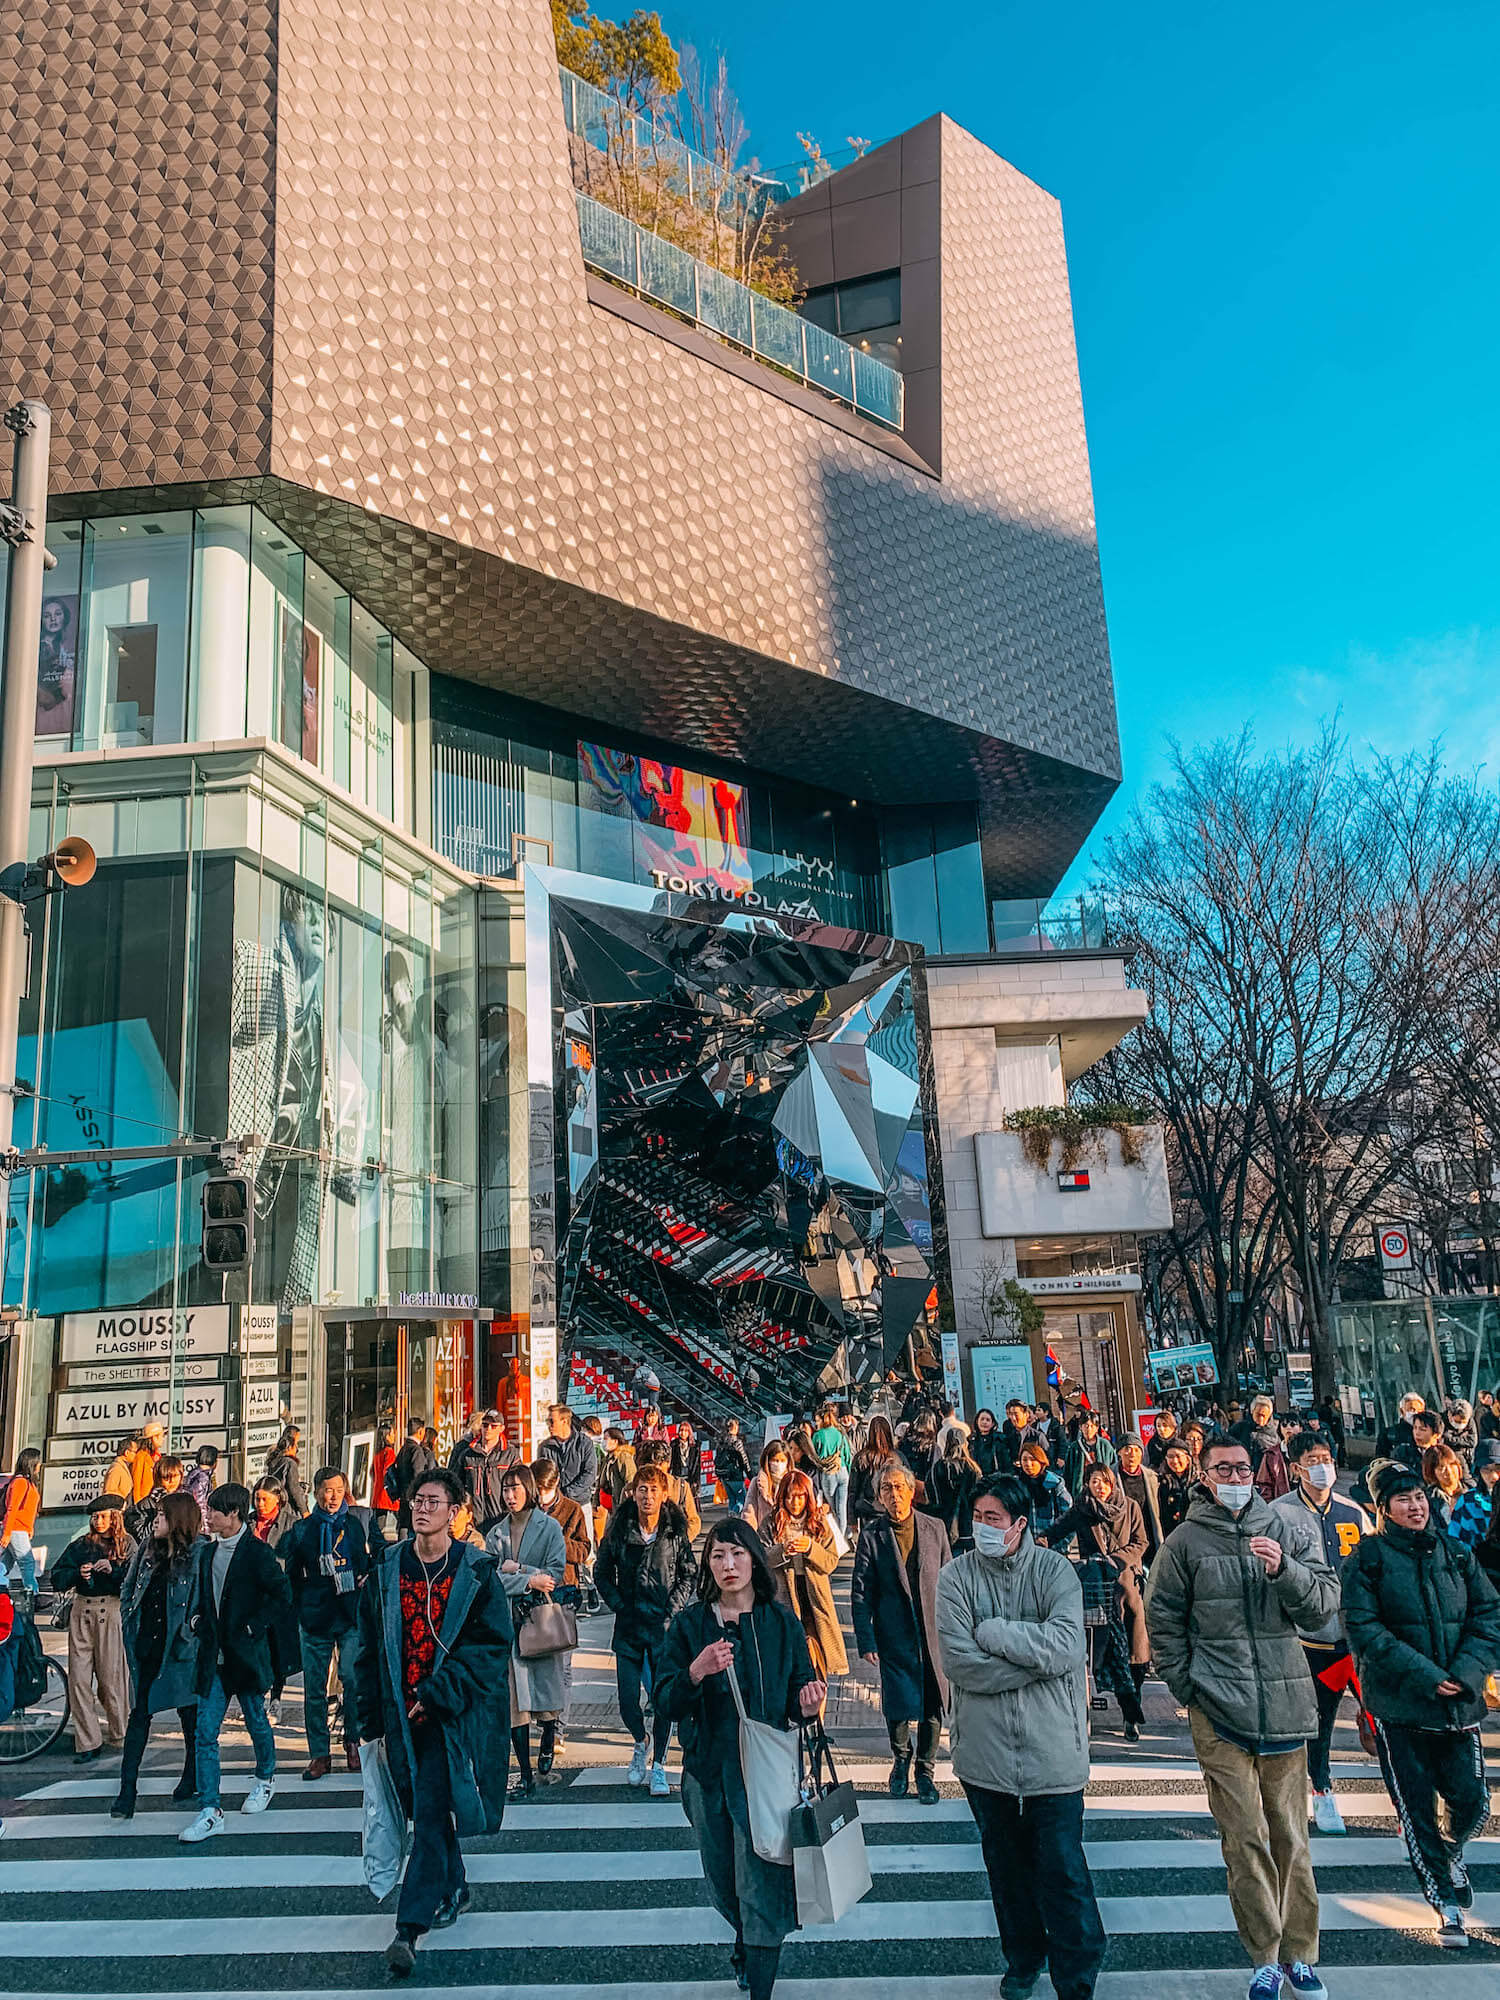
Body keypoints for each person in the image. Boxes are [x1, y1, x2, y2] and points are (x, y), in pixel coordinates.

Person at [1144, 1434, 1338, 2000]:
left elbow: (1323, 1603)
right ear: (1204, 1476)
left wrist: (1286, 1572)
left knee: (1291, 1837)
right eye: (1222, 1469)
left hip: (1284, 1705)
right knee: (1244, 1837)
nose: (1233, 1477)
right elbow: (1164, 1622)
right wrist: (1189, 1688)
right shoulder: (1183, 1542)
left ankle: (1302, 1952)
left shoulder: (1284, 1528)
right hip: (1218, 1709)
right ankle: (1265, 1954)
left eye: (1242, 1468)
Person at [936, 1473, 1106, 2000]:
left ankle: (1077, 1974)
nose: (984, 1527)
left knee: (1062, 1870)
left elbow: (1065, 1648)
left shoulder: (1056, 1571)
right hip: (984, 1758)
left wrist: (995, 1634)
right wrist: (1033, 1662)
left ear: (1020, 1524)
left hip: (1052, 1751)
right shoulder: (955, 1578)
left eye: (995, 1518)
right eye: (978, 1517)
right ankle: (1023, 1959)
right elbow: (961, 1665)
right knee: (1006, 1872)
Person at [656, 1517, 826, 2000]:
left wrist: (807, 1704)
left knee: (762, 1888)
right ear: (708, 1565)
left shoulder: (780, 1621)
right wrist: (695, 1672)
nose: (728, 1565)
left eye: (737, 1554)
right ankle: (745, 1939)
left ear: (754, 1559)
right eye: (717, 1556)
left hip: (767, 1778)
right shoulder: (691, 1625)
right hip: (709, 1772)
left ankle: (759, 1976)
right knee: (725, 1886)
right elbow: (666, 1701)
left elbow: (799, 1690)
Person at [354, 1465, 513, 1977]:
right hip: (401, 1715)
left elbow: (491, 1647)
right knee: (428, 1809)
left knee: (427, 1812)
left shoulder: (476, 1571)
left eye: (433, 1501)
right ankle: (458, 1885)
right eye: (416, 1500)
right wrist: (365, 1715)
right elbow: (368, 1648)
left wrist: (441, 1693)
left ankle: (409, 1927)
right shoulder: (386, 1568)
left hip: (451, 1718)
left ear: (455, 1512)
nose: (421, 1509)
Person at [1343, 1459, 1500, 1949]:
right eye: (1402, 1500)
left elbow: (1488, 1613)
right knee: (1416, 1811)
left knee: (1473, 1802)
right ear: (1383, 1509)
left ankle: (1454, 1852)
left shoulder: (1456, 1553)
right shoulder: (1366, 1560)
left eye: (1418, 1497)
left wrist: (1467, 1674)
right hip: (1401, 1707)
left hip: (1460, 1705)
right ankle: (1446, 1908)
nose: (1415, 1507)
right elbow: (1366, 1632)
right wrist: (1430, 1678)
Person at [179, 1483, 293, 1844]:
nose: (208, 1516)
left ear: (233, 1515)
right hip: (213, 1656)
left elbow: (282, 1594)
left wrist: (253, 1626)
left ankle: (265, 1777)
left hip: (244, 1654)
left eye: (214, 1511)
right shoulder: (207, 1553)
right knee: (204, 1731)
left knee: (255, 1719)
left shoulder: (257, 1553)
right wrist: (197, 1621)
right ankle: (210, 1808)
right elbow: (202, 1596)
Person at [1271, 1428, 1372, 1833]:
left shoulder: (1353, 1513)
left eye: (1326, 1458)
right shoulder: (1279, 1514)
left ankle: (1406, 1803)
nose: (1322, 1467)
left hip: (1361, 1640)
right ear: (1296, 1468)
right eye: (1312, 1461)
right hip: (1312, 1640)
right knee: (1320, 1721)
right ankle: (1322, 1788)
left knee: (1382, 1720)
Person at [851, 1460, 951, 1804]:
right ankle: (901, 1758)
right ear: (879, 1496)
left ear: (911, 1491)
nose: (894, 1495)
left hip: (933, 1630)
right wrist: (865, 1638)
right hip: (893, 1631)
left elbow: (951, 1582)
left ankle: (925, 1771)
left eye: (899, 1487)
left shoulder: (935, 1527)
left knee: (933, 1703)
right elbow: (861, 1590)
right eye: (886, 1489)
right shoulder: (872, 1535)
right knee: (897, 1703)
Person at [596, 1462, 698, 1795]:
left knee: (663, 1699)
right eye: (642, 1489)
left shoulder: (674, 1531)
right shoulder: (620, 1527)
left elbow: (688, 1573)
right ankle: (640, 1741)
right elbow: (601, 1572)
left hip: (663, 1626)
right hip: (628, 1624)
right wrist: (618, 1603)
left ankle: (659, 1764)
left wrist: (673, 1608)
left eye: (654, 1490)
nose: (648, 1496)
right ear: (633, 1493)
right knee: (628, 1700)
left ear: (664, 1494)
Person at [113, 1491, 205, 1818]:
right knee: (139, 1716)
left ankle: (191, 1776)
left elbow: (203, 1603)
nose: (156, 1522)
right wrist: (128, 1619)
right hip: (148, 1645)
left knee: (189, 1716)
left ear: (177, 1520)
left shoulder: (199, 1553)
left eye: (162, 1516)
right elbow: (128, 1589)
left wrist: (191, 1633)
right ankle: (127, 1790)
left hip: (179, 1647)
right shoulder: (147, 1549)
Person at [1046, 1461, 1149, 1738]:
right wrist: (1041, 1542)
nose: (1099, 1486)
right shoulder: (1082, 1509)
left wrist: (1116, 1560)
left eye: (1103, 1481)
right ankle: (1127, 1713)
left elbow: (1141, 1542)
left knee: (1136, 1654)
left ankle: (1133, 1707)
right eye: (1094, 1482)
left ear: (1112, 1482)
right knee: (1109, 1652)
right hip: (1098, 1590)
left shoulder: (1129, 1507)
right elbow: (1057, 1530)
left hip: (1127, 1587)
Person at [284, 1465, 373, 1780]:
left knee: (352, 1679)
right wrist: (301, 1606)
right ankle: (319, 1754)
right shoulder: (303, 1530)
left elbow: (367, 1564)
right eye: (326, 1490)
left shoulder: (355, 1525)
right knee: (315, 1689)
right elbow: (291, 1574)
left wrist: (364, 1580)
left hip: (350, 1615)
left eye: (338, 1489)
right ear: (316, 1492)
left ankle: (352, 1741)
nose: (332, 1496)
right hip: (315, 1617)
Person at [487, 1464, 567, 1800]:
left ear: (529, 1489)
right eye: (506, 1489)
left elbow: (554, 1574)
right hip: (509, 1620)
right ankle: (524, 1773)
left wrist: (519, 1570)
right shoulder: (495, 1533)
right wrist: (525, 1580)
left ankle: (549, 1734)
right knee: (514, 1701)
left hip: (539, 1617)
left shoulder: (549, 1527)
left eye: (517, 1488)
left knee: (545, 1689)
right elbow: (490, 1577)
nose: (510, 1495)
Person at [51, 1496, 136, 1763]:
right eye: (94, 1517)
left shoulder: (127, 1544)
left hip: (110, 1609)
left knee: (111, 1678)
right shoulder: (80, 1545)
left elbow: (134, 1580)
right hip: (82, 1609)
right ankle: (87, 1741)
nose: (98, 1521)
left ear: (114, 1517)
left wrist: (113, 1570)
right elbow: (57, 1577)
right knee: (78, 1679)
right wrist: (79, 1574)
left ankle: (120, 1731)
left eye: (103, 1516)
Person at [763, 1468, 847, 1687]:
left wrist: (811, 1548)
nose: (795, 1502)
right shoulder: (772, 1522)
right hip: (784, 1597)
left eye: (800, 1496)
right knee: (791, 1663)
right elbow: (759, 1560)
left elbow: (830, 1561)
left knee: (818, 1663)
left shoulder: (819, 1521)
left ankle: (818, 1715)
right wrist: (782, 1551)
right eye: (789, 1496)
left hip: (815, 1598)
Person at [532, 1455, 588, 1768]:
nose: (539, 1496)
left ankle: (558, 1729)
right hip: (534, 1595)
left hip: (563, 1591)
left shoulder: (572, 1510)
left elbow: (583, 1549)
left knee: (563, 1665)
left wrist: (555, 1540)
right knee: (536, 1661)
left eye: (543, 1490)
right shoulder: (526, 1512)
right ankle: (543, 1721)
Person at [450, 1407, 521, 1533]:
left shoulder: (510, 1454)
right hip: (473, 1521)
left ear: (501, 1428)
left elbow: (520, 1486)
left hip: (501, 1519)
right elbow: (455, 1484)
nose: (488, 1429)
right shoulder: (467, 1454)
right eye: (485, 1425)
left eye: (493, 1426)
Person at [928, 1428, 982, 1549]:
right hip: (969, 1524)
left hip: (945, 1523)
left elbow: (932, 1495)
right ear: (965, 1444)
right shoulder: (973, 1468)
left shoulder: (939, 1467)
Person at [1115, 1436, 1163, 1557]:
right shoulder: (1110, 1478)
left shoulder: (1152, 1477)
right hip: (1124, 1538)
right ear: (1119, 1452)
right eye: (1127, 1449)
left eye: (1137, 1450)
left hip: (1149, 1535)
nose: (1132, 1454)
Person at [1, 1447, 41, 1591]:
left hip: (19, 1529)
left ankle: (2, 1588)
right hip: (16, 1529)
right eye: (38, 1462)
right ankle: (32, 1594)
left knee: (5, 1563)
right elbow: (12, 1509)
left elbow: (28, 1511)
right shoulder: (20, 1483)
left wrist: (30, 1528)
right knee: (27, 1562)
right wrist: (7, 1533)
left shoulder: (28, 1483)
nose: (39, 1466)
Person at [848, 1416, 901, 1526]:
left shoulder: (861, 1458)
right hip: (891, 1509)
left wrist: (851, 1518)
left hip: (866, 1510)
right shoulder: (896, 1458)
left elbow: (852, 1490)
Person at [1449, 1438, 1500, 1548]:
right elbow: (1456, 1542)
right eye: (1486, 1469)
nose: (1494, 1476)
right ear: (1478, 1471)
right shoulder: (1467, 1502)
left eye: (1498, 1468)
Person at [811, 1402, 854, 1532]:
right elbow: (847, 1455)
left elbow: (814, 1456)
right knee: (842, 1507)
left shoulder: (817, 1435)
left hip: (828, 1474)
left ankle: (837, 1539)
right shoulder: (839, 1433)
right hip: (843, 1471)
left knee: (832, 1508)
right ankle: (843, 1536)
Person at [1015, 1439, 1072, 1537]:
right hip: (1024, 1544)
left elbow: (1069, 1518)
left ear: (1041, 1462)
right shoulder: (1016, 1484)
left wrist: (1060, 1546)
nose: (1028, 1464)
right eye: (1024, 1460)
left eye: (1032, 1459)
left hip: (1049, 1543)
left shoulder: (1054, 1484)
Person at [390, 1419, 439, 1532]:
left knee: (403, 1526)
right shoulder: (416, 1450)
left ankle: (402, 1548)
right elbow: (418, 1475)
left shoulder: (403, 1448)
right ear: (420, 1431)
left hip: (403, 1495)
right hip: (413, 1497)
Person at [742, 1438, 792, 1535]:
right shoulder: (757, 1483)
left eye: (782, 1460)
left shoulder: (794, 1480)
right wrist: (749, 1535)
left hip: (790, 1535)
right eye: (775, 1460)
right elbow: (749, 1511)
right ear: (768, 1460)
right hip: (765, 1536)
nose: (778, 1464)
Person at [1062, 1411, 1116, 1498]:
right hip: (1082, 1489)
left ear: (1097, 1428)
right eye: (1086, 1426)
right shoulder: (1074, 1447)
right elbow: (1068, 1472)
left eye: (1092, 1426)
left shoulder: (1105, 1445)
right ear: (1080, 1427)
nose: (1089, 1429)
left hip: (1102, 1489)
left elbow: (1113, 1467)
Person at [1155, 1440, 1197, 1537]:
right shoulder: (1161, 1482)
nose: (1174, 1461)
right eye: (1170, 1457)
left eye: (1178, 1456)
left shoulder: (1198, 1481)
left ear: (1187, 1458)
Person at [264, 1425, 309, 1516]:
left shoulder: (274, 1461)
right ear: (290, 1445)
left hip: (276, 1508)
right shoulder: (290, 1463)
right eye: (297, 1444)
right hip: (288, 1510)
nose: (297, 1449)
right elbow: (294, 1489)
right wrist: (305, 1512)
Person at [717, 1418, 753, 1514]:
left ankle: (731, 1516)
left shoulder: (721, 1442)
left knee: (732, 1499)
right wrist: (750, 1475)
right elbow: (744, 1459)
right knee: (742, 1500)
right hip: (735, 1475)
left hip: (724, 1476)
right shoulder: (737, 1442)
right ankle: (734, 1512)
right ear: (736, 1428)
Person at [1442, 1398, 1478, 1471]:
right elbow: (1446, 1440)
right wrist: (1462, 1437)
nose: (1460, 1425)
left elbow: (1472, 1441)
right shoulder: (1441, 1420)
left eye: (1464, 1422)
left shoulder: (1470, 1421)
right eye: (1457, 1421)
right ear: (1450, 1414)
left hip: (1468, 1457)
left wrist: (1454, 1438)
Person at [971, 1407, 1005, 1478]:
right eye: (982, 1419)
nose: (984, 1422)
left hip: (994, 1479)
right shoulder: (971, 1441)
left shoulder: (999, 1440)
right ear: (977, 1421)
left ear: (992, 1423)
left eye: (988, 1420)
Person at [1145, 1407, 1181, 1472]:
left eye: (1165, 1425)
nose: (1161, 1429)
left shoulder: (1180, 1443)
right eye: (1158, 1426)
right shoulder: (1151, 1444)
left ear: (1172, 1427)